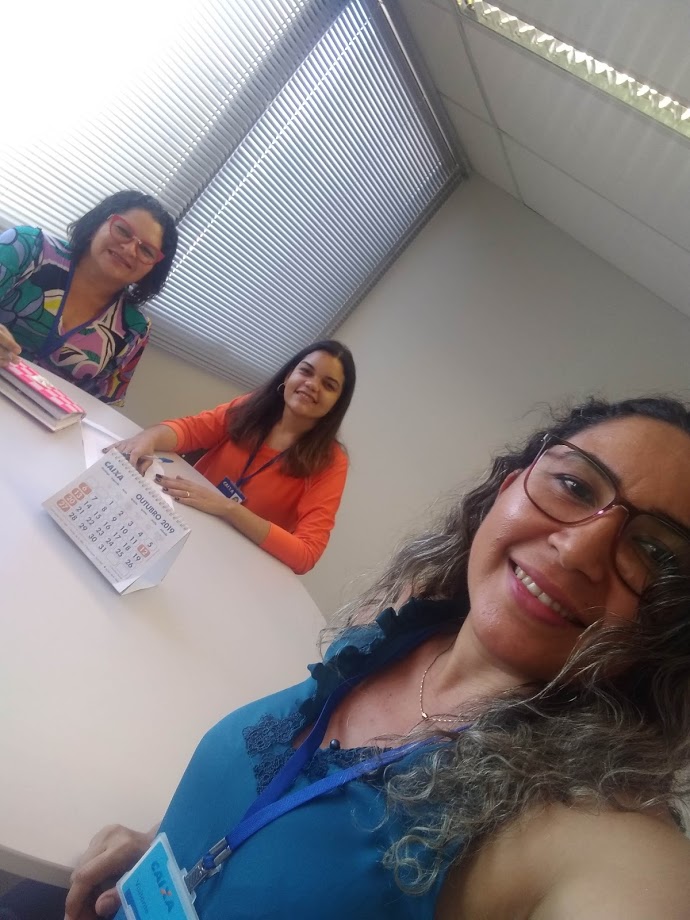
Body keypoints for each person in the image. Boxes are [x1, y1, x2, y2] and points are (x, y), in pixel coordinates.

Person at [4, 395, 690, 920]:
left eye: (655, 552)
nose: (578, 550)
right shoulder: (397, 635)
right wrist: (163, 844)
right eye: (575, 486)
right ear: (511, 486)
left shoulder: (592, 826)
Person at [111, 340, 356, 574]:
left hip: (232, 560)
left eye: (328, 385)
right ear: (289, 375)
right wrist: (149, 438)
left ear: (337, 404)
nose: (312, 384)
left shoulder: (332, 462)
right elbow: (191, 429)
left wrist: (228, 508)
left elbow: (306, 554)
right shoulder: (254, 407)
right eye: (306, 371)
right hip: (180, 518)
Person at [0, 190, 178, 404]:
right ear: (97, 225)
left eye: (147, 251)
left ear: (153, 269)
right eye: (123, 230)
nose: (130, 249)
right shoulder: (28, 247)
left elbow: (102, 404)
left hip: (42, 417)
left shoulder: (134, 329)